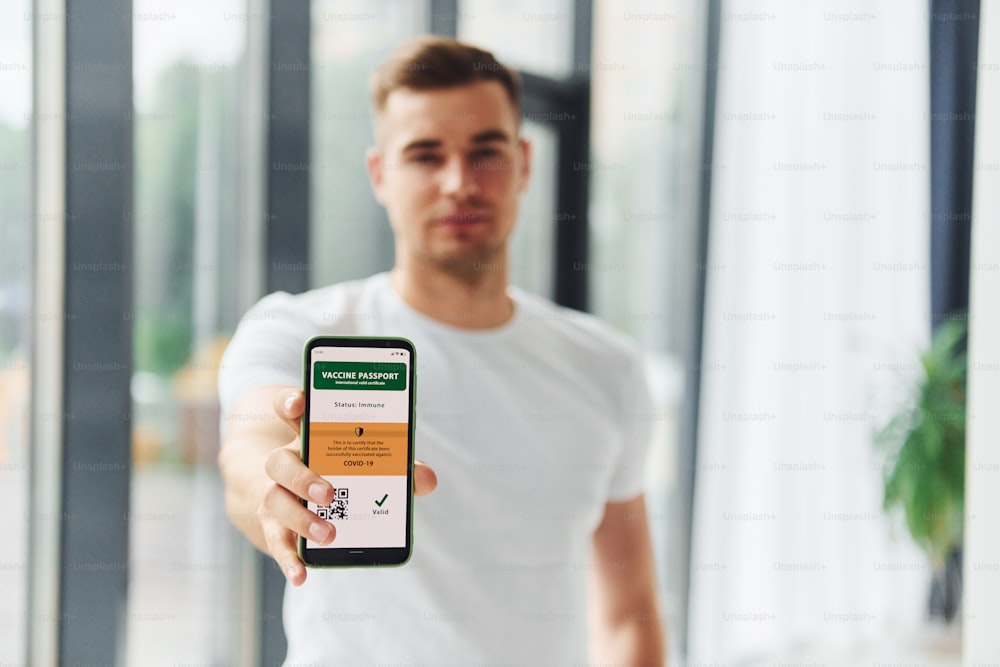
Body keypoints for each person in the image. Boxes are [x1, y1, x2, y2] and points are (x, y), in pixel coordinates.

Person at [218, 35, 665, 665]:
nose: (459, 183)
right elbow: (250, 448)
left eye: (486, 153)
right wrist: (276, 491)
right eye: (425, 156)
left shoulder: (607, 368)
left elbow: (629, 613)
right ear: (380, 174)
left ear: (525, 163)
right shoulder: (301, 330)